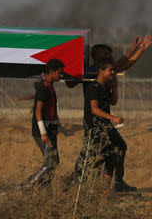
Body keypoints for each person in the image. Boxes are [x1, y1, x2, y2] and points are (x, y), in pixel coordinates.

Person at [76, 58, 136, 192]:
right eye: (111, 70)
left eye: (114, 70)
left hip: (106, 126)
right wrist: (112, 117)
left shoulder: (105, 87)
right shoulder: (93, 87)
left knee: (119, 147)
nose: (113, 72)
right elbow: (94, 109)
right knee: (92, 157)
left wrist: (115, 88)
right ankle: (77, 185)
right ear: (101, 71)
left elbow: (113, 101)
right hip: (96, 127)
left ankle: (110, 185)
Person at [27, 59, 65, 187]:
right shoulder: (44, 88)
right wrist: (43, 133)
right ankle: (30, 183)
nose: (62, 75)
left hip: (50, 130)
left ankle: (44, 187)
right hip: (42, 132)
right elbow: (38, 111)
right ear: (52, 72)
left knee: (55, 161)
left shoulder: (48, 84)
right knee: (50, 161)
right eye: (60, 73)